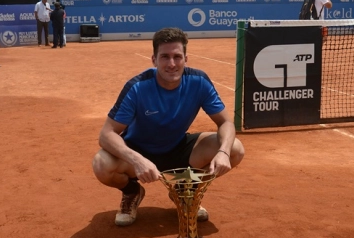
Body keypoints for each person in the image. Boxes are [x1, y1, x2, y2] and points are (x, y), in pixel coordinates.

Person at [92, 28, 245, 227]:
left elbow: (225, 122)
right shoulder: (137, 87)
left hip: (179, 149)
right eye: (165, 57)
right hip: (140, 151)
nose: (171, 64)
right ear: (154, 60)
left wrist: (223, 152)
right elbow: (107, 134)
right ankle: (132, 192)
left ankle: (185, 191)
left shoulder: (199, 81)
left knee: (235, 149)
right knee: (101, 164)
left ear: (186, 58)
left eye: (177, 57)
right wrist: (136, 160)